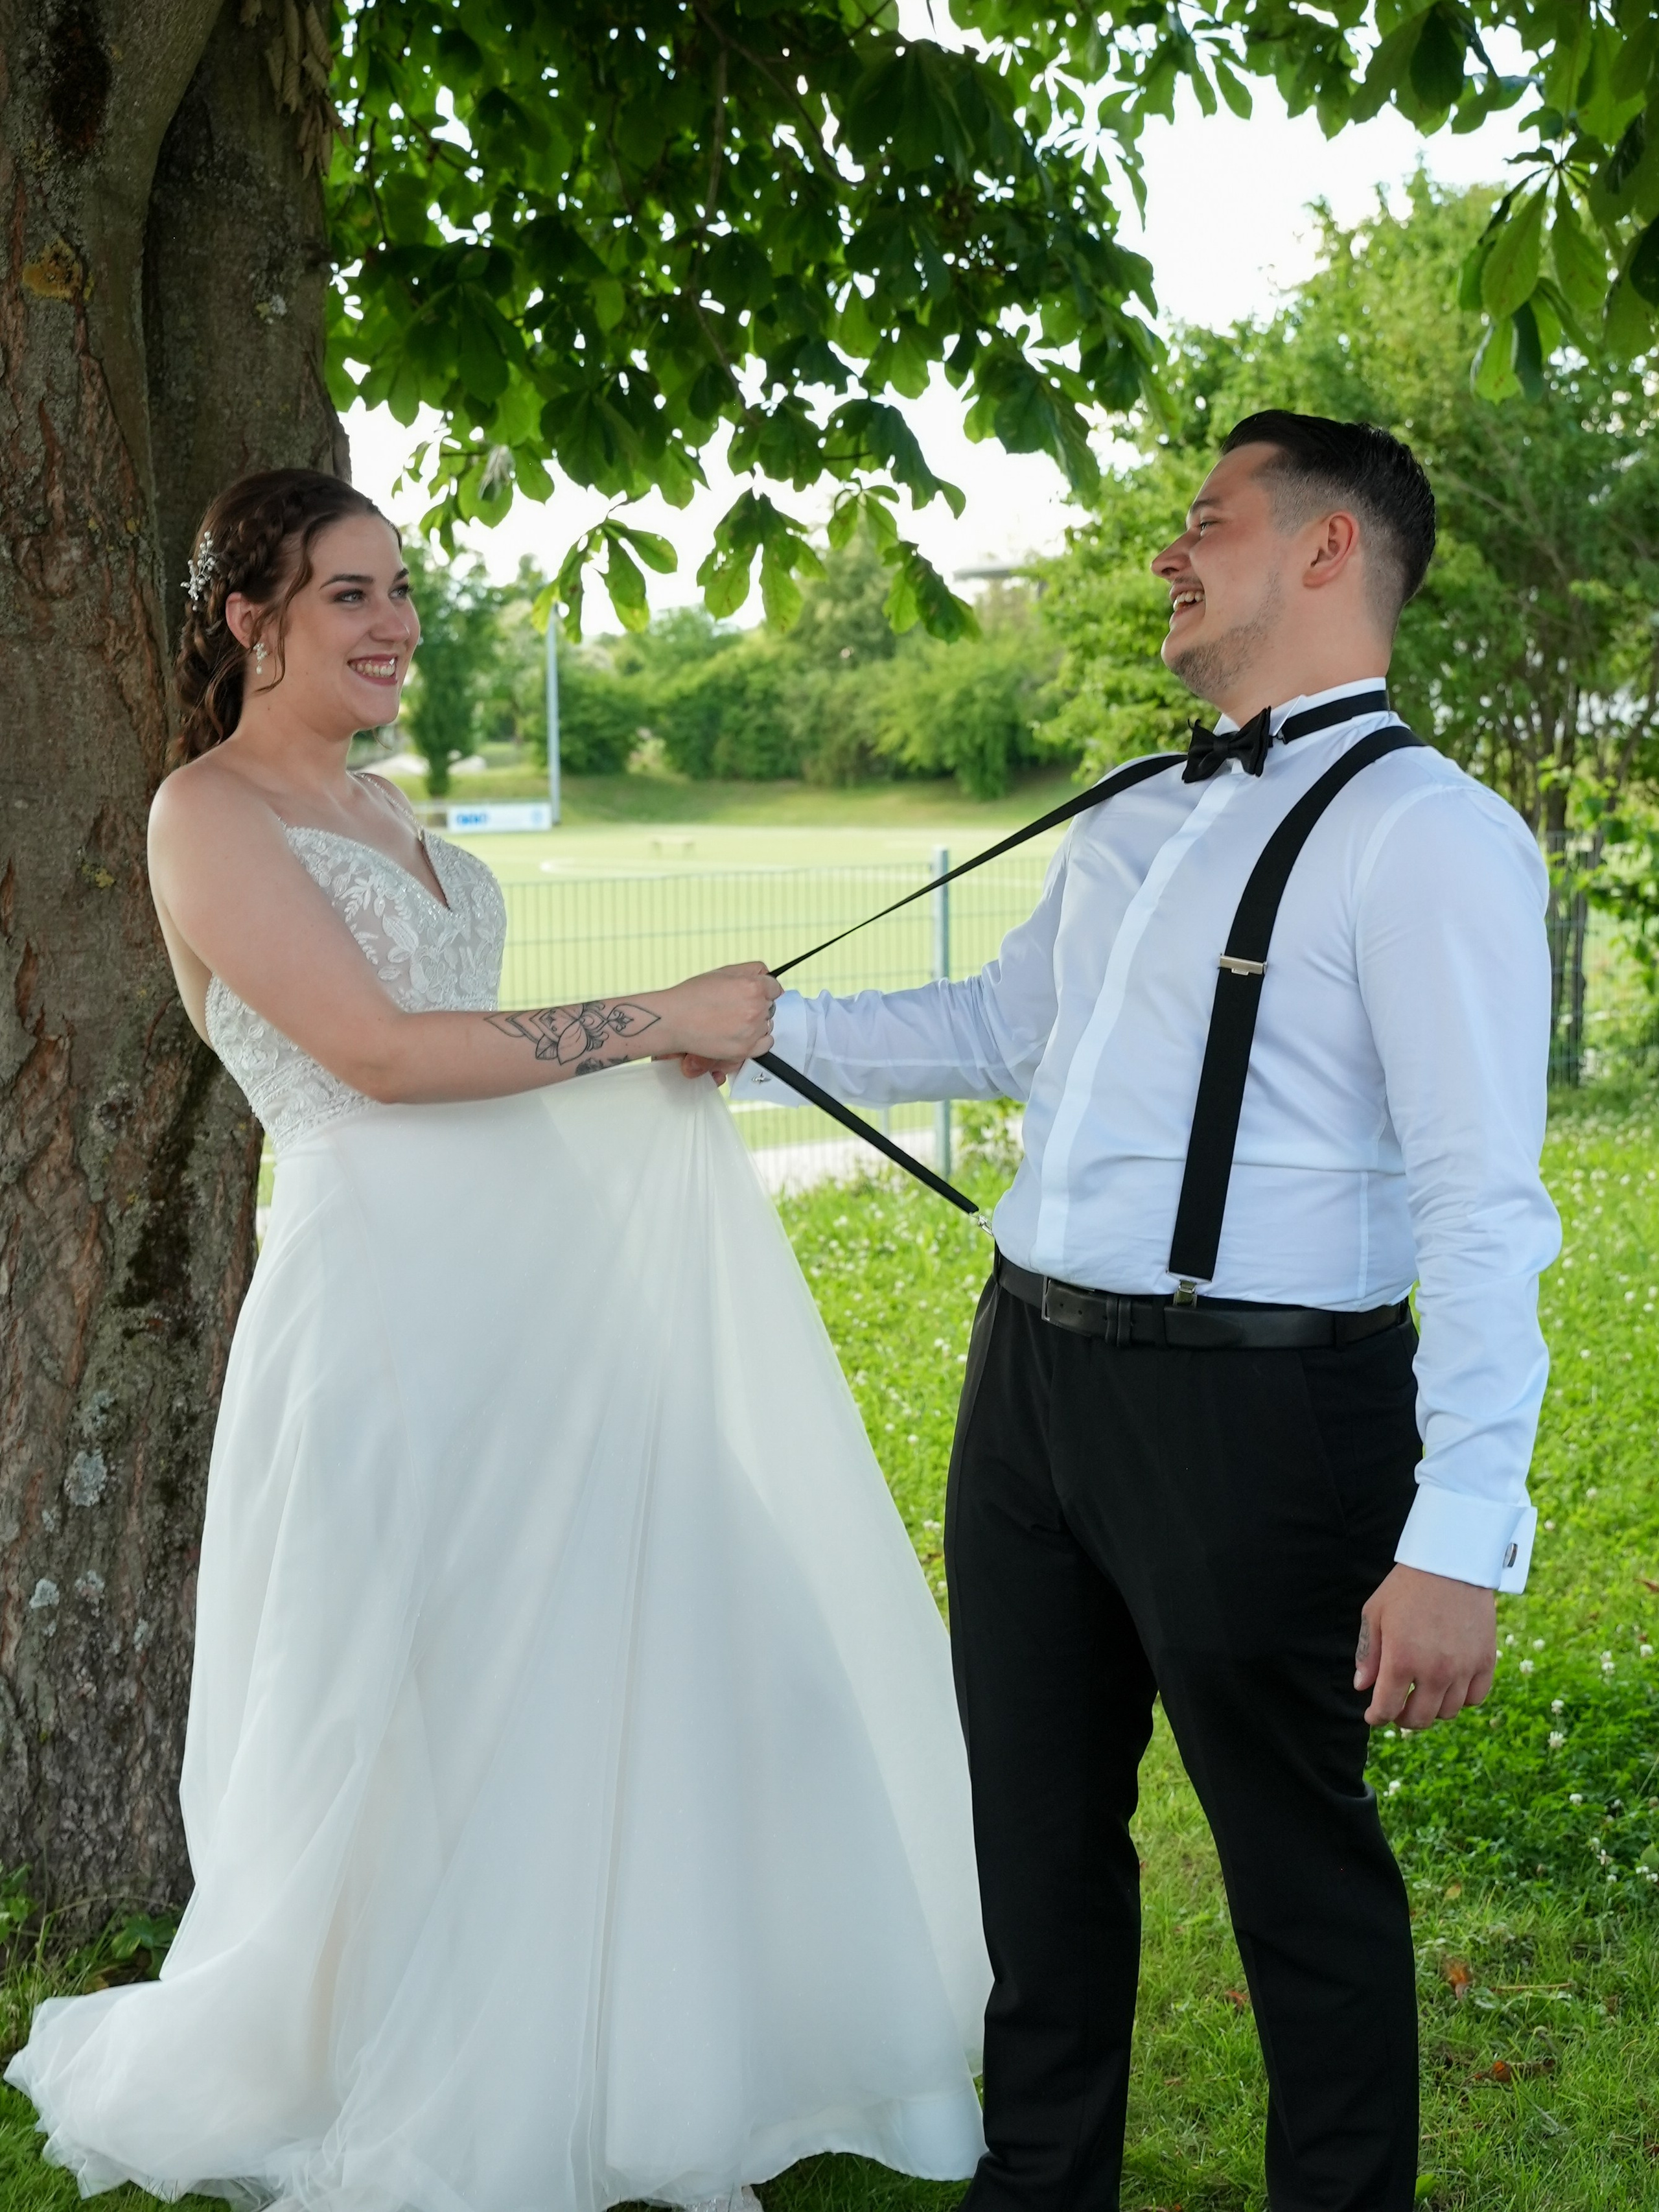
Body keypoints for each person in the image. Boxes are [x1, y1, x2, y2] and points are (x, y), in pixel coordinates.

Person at [6, 469, 990, 2212]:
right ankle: (435, 2065)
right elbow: (381, 1057)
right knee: (423, 1690)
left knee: (668, 1634)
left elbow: (474, 1057)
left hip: (541, 1292)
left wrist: (657, 1062)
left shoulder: (395, 814)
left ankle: (657, 2047)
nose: (396, 624)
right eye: (351, 594)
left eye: (402, 591)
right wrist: (652, 1015)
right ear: (249, 619)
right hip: (385, 1306)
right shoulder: (205, 816)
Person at [731, 413, 1560, 2211]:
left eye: (1210, 520)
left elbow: (1488, 1204)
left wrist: (1461, 1533)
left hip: (1267, 1416)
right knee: (1035, 1845)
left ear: (1328, 551)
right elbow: (995, 1028)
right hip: (1029, 1383)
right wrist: (749, 1029)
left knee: (1298, 1878)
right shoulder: (1132, 812)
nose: (1171, 554)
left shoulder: (1431, 838)